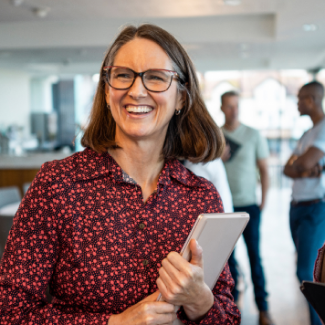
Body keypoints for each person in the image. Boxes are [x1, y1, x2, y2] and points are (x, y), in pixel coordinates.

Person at [0, 24, 240, 324]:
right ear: (107, 88)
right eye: (123, 75)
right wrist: (114, 323)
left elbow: (228, 316)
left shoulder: (200, 195)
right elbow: (10, 311)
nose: (136, 90)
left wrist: (200, 300)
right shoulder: (58, 184)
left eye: (155, 77)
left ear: (181, 98)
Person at [220, 91, 273, 325]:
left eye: (237, 106)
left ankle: (263, 309)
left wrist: (263, 201)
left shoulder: (253, 135)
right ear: (222, 108)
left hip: (249, 206)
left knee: (254, 258)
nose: (234, 110)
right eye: (229, 106)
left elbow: (264, 169)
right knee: (226, 263)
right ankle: (232, 307)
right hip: (223, 209)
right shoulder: (216, 136)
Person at [284, 81, 325, 325]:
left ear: (312, 99)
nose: (297, 103)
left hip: (315, 207)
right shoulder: (306, 133)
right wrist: (301, 167)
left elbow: (303, 164)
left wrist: (301, 166)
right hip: (297, 207)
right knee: (305, 270)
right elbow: (289, 168)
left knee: (307, 273)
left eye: (300, 99)